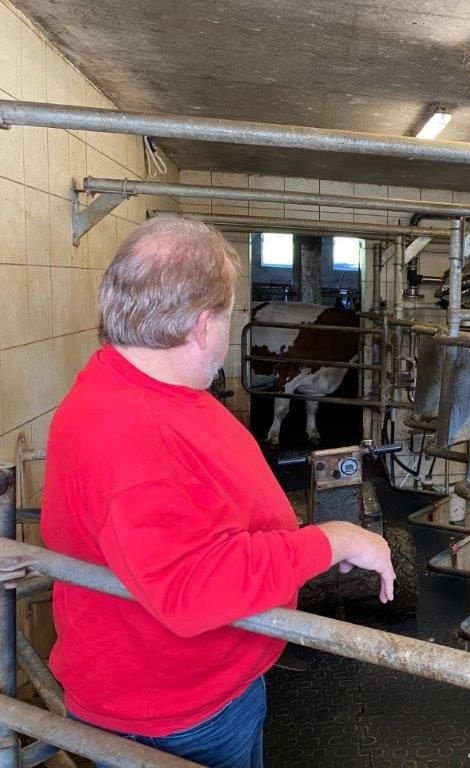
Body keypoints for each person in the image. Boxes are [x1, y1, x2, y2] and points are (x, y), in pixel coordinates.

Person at [40, 216, 396, 768]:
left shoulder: (146, 388)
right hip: (177, 715)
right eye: (228, 318)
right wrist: (330, 540)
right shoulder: (130, 433)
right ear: (205, 325)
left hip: (203, 683)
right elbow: (190, 590)